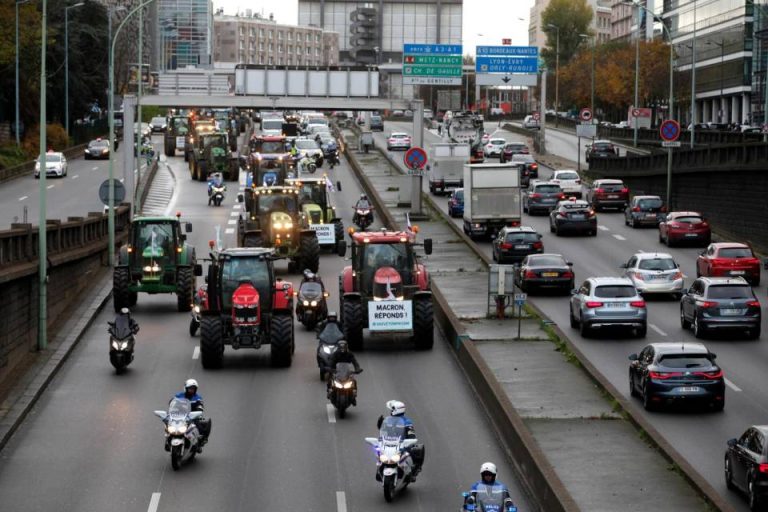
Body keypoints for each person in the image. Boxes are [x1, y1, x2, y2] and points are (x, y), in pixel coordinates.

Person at [375, 400, 424, 479]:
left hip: (402, 443)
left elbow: (411, 434)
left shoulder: (407, 421)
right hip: (389, 442)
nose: (391, 411)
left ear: (396, 410)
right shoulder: (388, 420)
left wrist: (410, 441)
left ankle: (412, 472)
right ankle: (379, 470)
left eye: (392, 410)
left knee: (414, 451)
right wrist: (380, 424)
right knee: (379, 452)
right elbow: (382, 430)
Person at [170, 378, 211, 451]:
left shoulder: (197, 397)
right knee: (169, 425)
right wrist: (171, 404)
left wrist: (199, 409)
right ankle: (169, 438)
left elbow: (200, 405)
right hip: (180, 415)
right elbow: (172, 402)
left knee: (199, 427)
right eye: (190, 388)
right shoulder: (179, 395)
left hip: (192, 416)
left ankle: (199, 442)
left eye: (193, 389)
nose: (192, 390)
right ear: (186, 388)